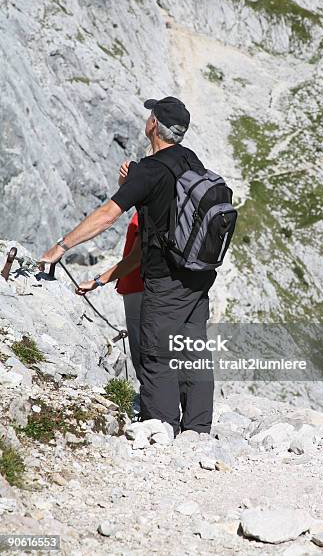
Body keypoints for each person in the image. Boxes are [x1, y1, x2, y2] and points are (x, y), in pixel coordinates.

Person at [39, 96, 217, 435]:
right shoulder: (191, 161)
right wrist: (104, 277)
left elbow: (107, 216)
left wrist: (61, 246)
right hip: (198, 275)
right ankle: (197, 433)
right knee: (194, 351)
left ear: (153, 125)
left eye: (151, 115)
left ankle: (161, 431)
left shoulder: (149, 171)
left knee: (156, 353)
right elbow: (154, 234)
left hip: (166, 281)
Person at [76, 163, 144, 383]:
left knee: (142, 352)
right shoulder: (155, 208)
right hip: (141, 287)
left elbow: (135, 259)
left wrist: (97, 281)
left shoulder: (147, 214)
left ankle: (154, 406)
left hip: (138, 287)